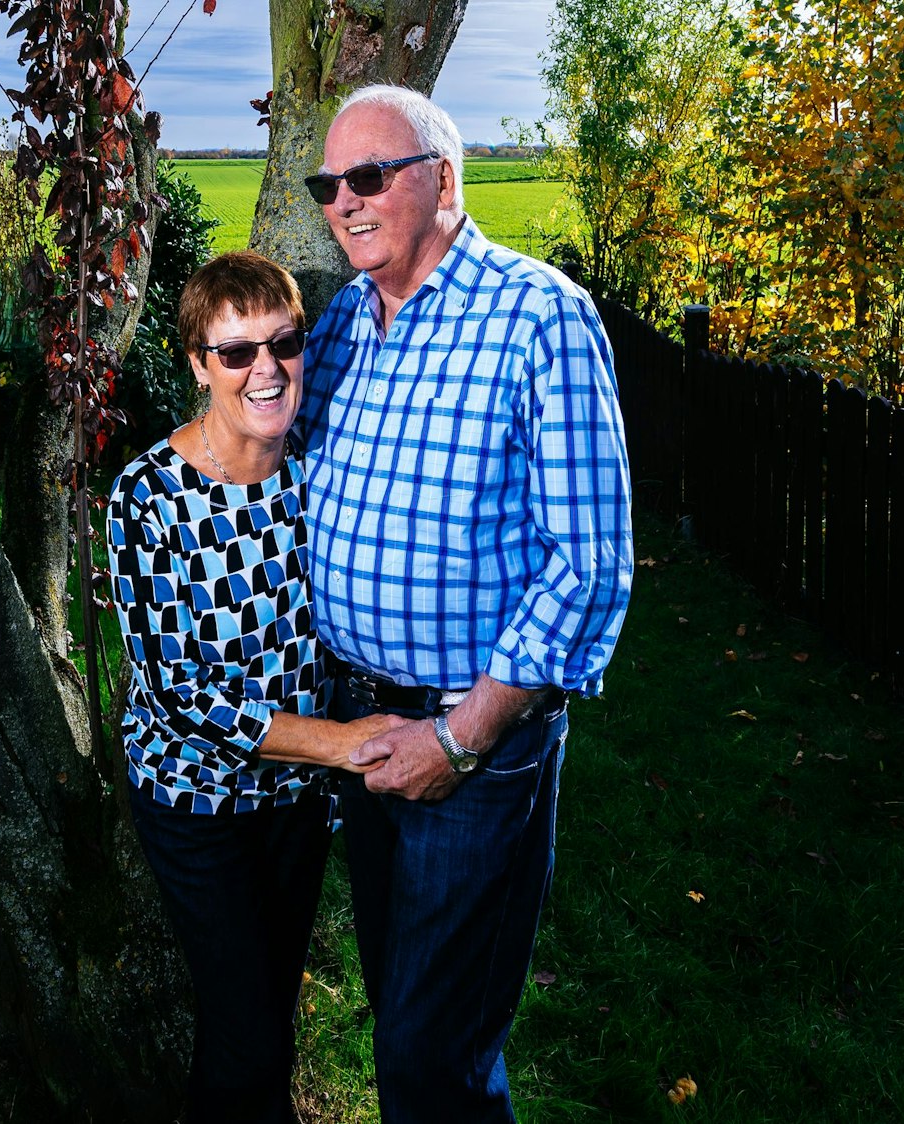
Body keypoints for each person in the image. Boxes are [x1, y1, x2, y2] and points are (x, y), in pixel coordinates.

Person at [293, 86, 634, 1120]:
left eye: (369, 176)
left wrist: (464, 733)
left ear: (443, 178)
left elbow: (589, 559)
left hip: (470, 737)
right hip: (359, 729)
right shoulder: (347, 317)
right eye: (327, 184)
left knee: (433, 1047)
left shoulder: (539, 314)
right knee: (407, 1009)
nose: (343, 202)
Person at [107, 250, 406, 1122]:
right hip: (197, 805)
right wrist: (344, 745)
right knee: (248, 1042)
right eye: (236, 353)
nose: (266, 371)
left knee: (265, 1013)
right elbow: (179, 694)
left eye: (283, 344)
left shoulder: (316, 466)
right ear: (198, 364)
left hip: (295, 802)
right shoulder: (149, 499)